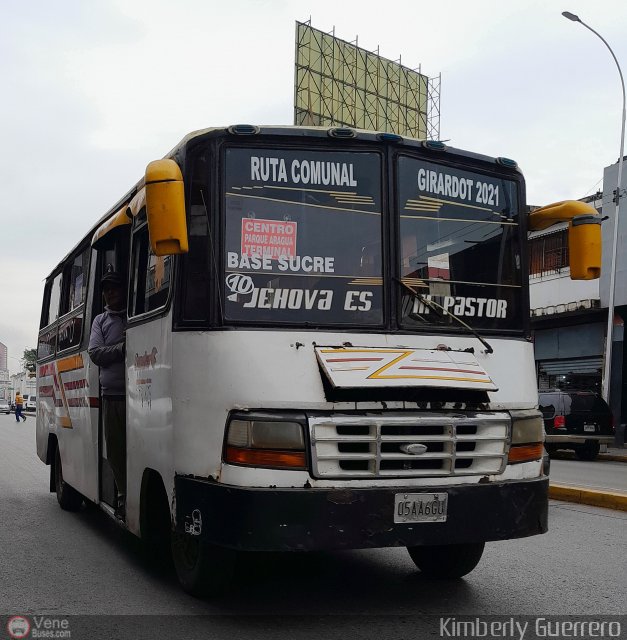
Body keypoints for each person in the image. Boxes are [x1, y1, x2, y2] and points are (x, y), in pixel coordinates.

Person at [88, 270, 127, 519]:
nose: (110, 292)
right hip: (112, 396)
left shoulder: (136, 316)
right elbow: (95, 353)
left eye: (114, 287)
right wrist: (122, 348)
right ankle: (122, 498)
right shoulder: (101, 321)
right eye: (106, 289)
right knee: (115, 451)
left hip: (143, 399)